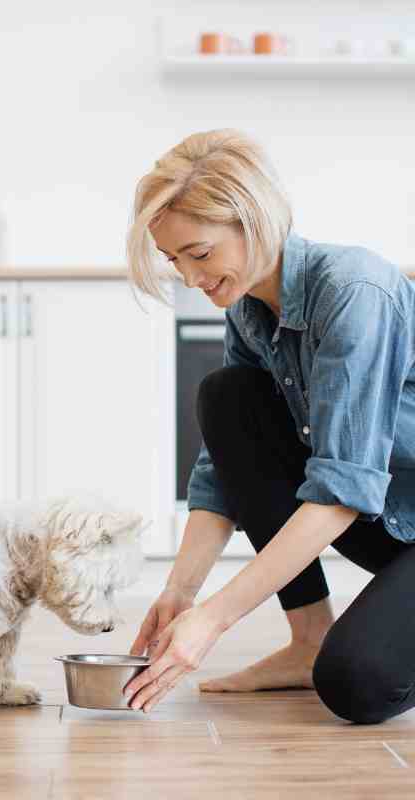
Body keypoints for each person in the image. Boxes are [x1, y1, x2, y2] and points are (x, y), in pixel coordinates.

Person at [122, 129, 415, 724]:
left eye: (200, 254)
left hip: (374, 506)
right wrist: (180, 594)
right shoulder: (249, 307)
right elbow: (225, 466)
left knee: (358, 684)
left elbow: (343, 487)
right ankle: (308, 640)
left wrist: (213, 620)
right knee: (227, 396)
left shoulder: (355, 290)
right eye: (174, 260)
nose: (189, 278)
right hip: (387, 519)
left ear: (253, 219)